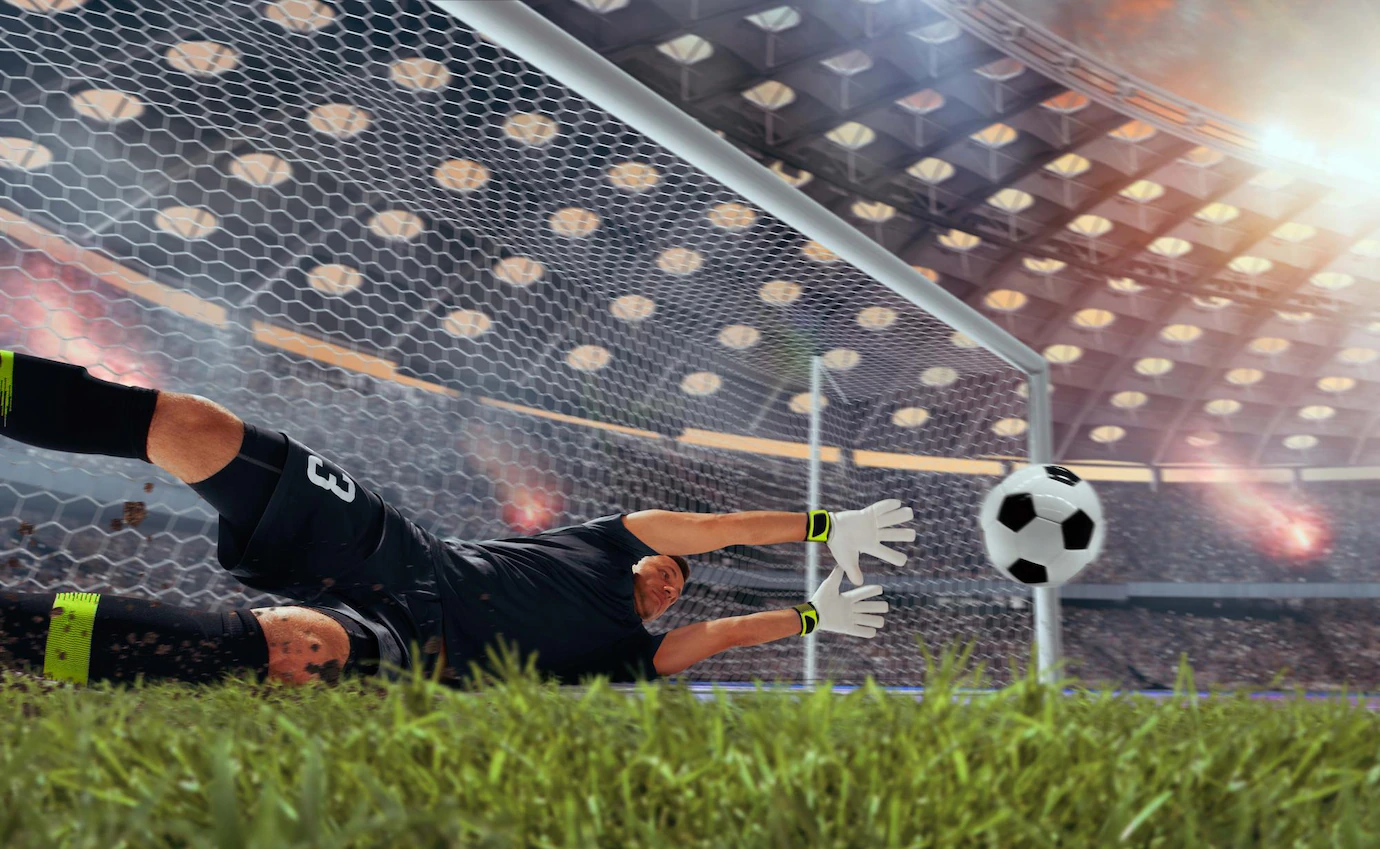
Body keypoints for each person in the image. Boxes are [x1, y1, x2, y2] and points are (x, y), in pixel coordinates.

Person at [0, 351, 912, 687]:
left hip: (418, 646)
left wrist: (802, 618)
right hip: (405, 558)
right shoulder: (605, 543)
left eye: (676, 592)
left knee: (295, 647)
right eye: (667, 570)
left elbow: (709, 639)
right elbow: (712, 533)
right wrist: (824, 529)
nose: (671, 580)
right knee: (196, 426)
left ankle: (13, 630)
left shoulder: (625, 654)